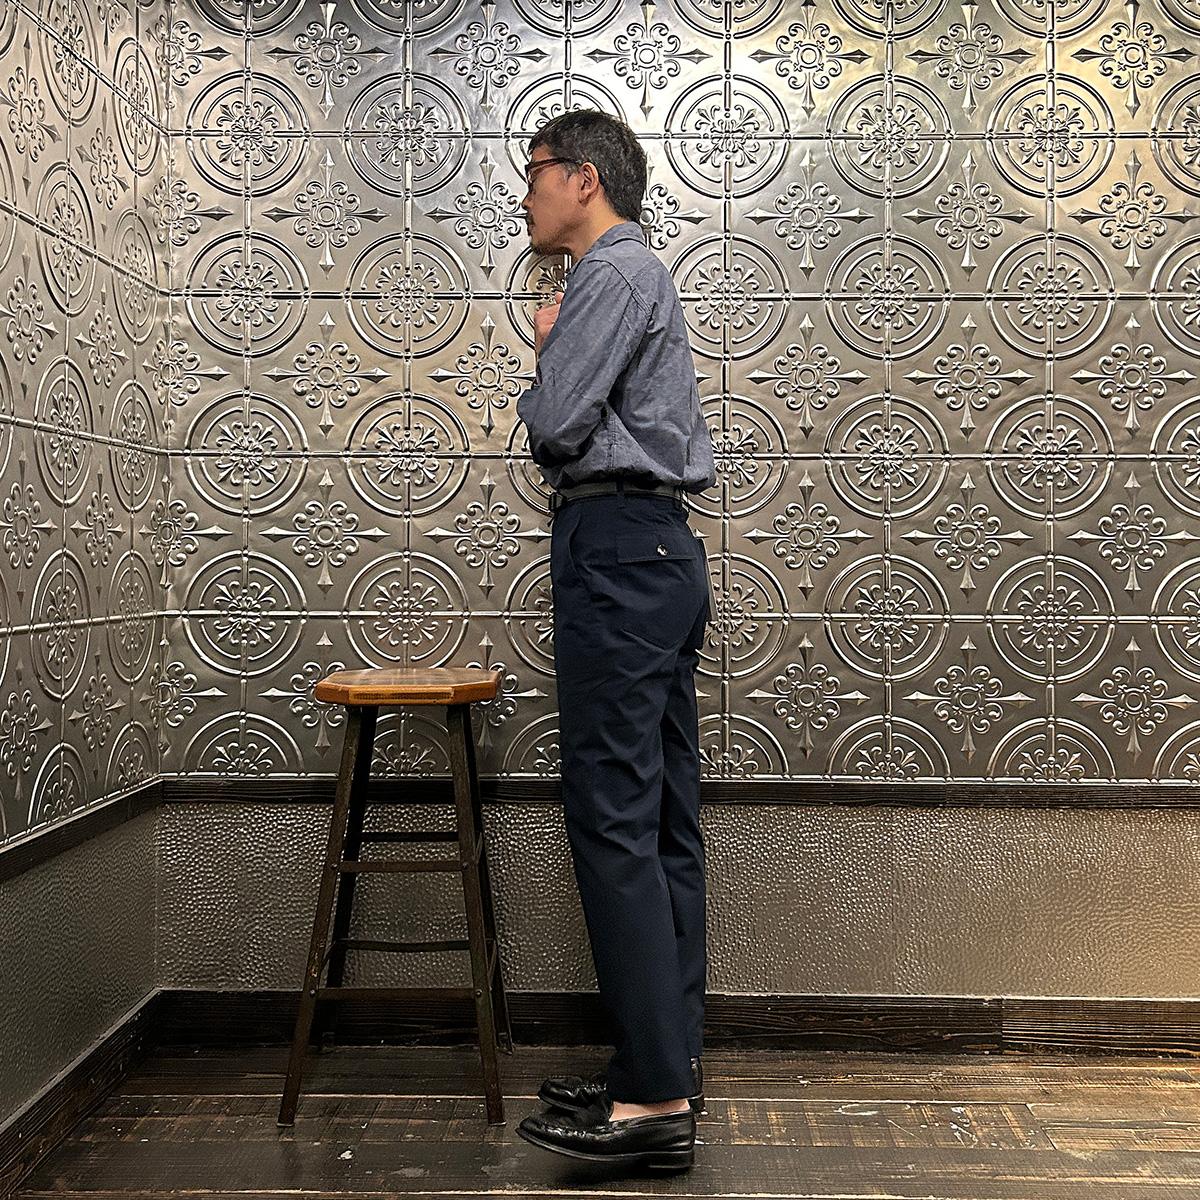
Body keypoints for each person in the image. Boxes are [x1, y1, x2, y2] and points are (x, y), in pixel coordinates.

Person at [511, 110, 716, 1173]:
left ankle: (651, 1104)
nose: (527, 195)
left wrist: (549, 354)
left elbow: (555, 426)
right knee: (664, 821)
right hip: (657, 552)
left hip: (620, 551)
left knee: (615, 820)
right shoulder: (639, 274)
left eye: (536, 173)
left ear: (583, 179)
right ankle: (664, 1064)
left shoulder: (610, 273)